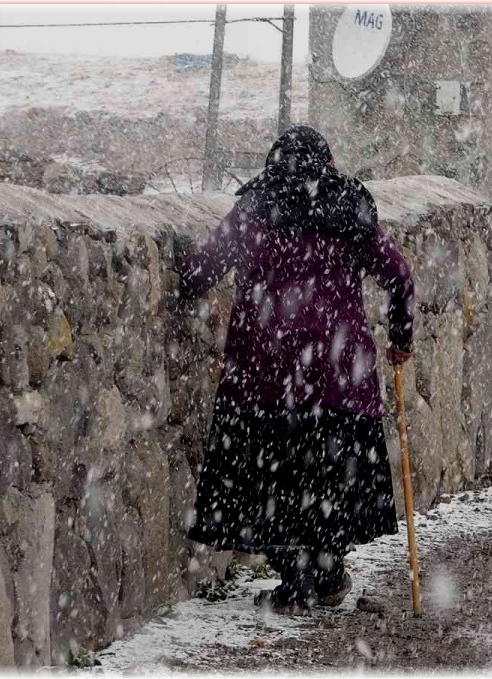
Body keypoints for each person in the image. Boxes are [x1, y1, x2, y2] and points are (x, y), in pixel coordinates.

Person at [176, 125, 415, 613]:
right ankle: (325, 575)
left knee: (276, 482)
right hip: (340, 377)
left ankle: (297, 582)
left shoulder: (254, 208)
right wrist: (401, 340)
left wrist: (182, 281)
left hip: (268, 376)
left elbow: (202, 269)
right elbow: (399, 276)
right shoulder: (351, 206)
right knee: (329, 480)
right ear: (325, 160)